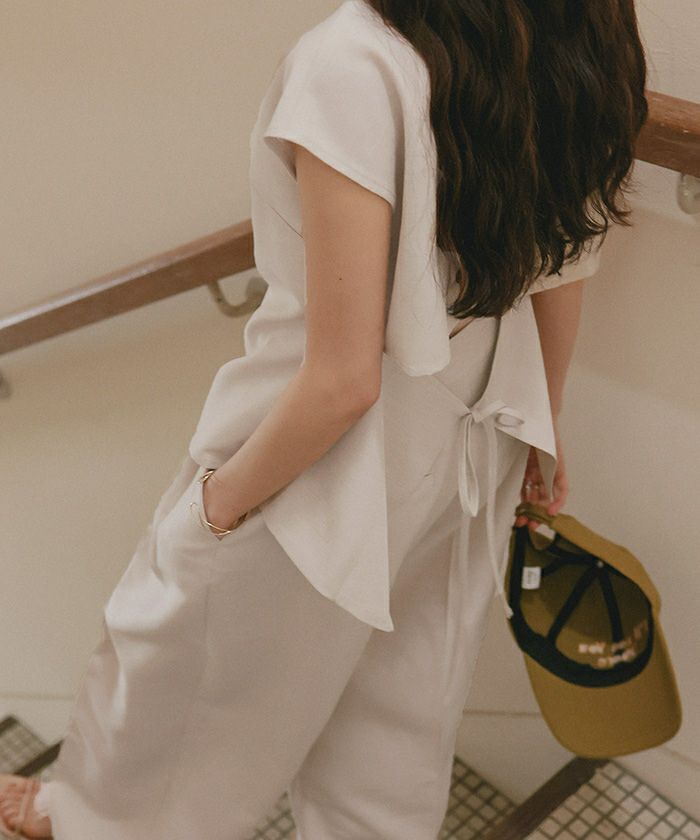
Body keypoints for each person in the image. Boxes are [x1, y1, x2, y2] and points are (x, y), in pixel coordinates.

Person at [0, 1, 647, 837]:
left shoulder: (353, 62)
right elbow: (567, 257)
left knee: (178, 670)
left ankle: (90, 820)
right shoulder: (574, 29)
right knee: (398, 712)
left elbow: (344, 380)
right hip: (476, 432)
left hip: (324, 455)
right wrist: (542, 424)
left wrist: (216, 507)